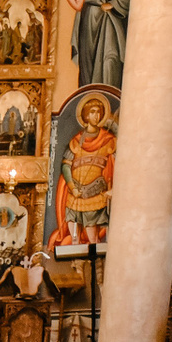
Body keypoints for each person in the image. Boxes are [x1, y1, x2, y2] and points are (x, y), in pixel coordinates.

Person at [49, 93, 116, 247]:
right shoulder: (76, 140)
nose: (96, 116)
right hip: (75, 194)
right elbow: (66, 165)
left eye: (98, 112)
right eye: (92, 112)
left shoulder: (109, 140)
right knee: (74, 239)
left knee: (93, 239)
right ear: (86, 115)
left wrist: (113, 189)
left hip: (95, 194)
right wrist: (72, 187)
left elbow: (117, 165)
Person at [68, 0, 131, 89]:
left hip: (110, 20)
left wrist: (114, 4)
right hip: (88, 19)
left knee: (109, 62)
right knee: (88, 67)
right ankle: (89, 99)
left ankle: (108, 101)